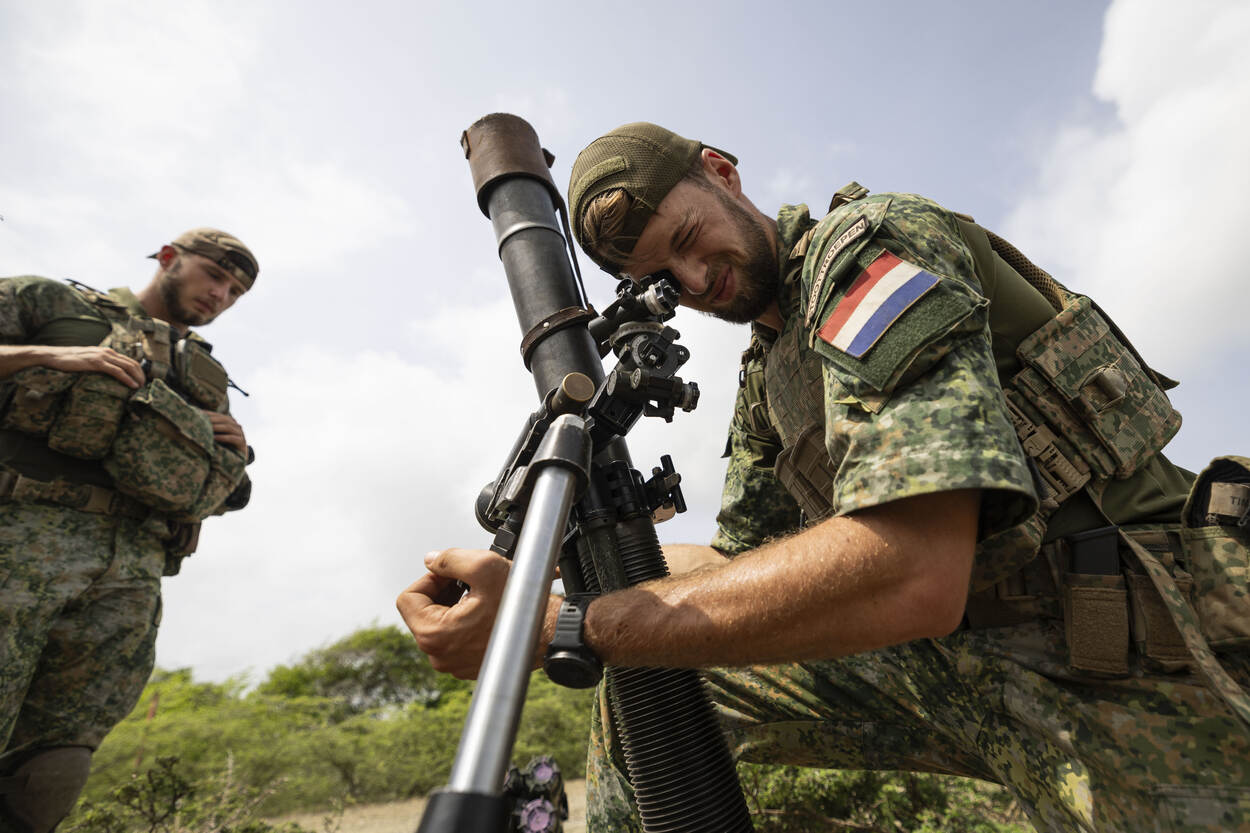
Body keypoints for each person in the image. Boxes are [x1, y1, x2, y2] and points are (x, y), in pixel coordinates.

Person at [398, 123, 1250, 831]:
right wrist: (545, 582)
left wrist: (570, 625)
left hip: (1135, 654)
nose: (695, 281)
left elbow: (916, 570)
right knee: (645, 695)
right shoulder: (770, 369)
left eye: (690, 240)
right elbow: (733, 569)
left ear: (722, 172)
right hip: (966, 662)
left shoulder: (868, 249)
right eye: (663, 276)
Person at [0, 229, 258, 833]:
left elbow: (219, 491)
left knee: (53, 768)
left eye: (237, 290)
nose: (223, 293)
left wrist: (236, 457)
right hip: (19, 542)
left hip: (129, 579)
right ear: (168, 258)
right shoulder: (53, 304)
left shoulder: (205, 374)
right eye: (215, 275)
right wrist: (49, 356)